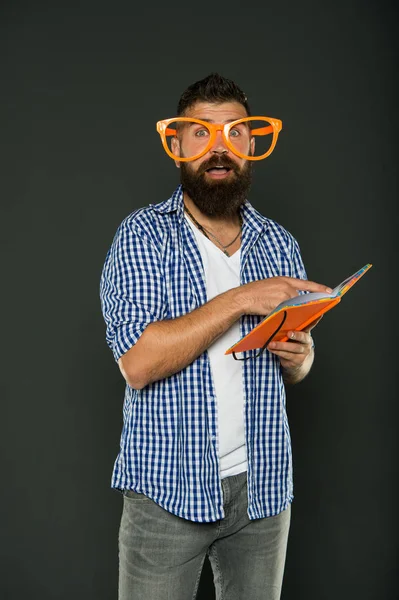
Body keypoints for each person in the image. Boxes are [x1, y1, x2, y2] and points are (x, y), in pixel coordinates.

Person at [100, 72, 331, 600]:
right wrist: (243, 299)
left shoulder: (280, 244)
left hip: (263, 495)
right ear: (176, 145)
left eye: (234, 133)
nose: (219, 148)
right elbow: (137, 364)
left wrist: (300, 355)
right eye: (202, 133)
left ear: (252, 144)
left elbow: (298, 368)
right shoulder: (141, 235)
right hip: (166, 494)